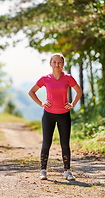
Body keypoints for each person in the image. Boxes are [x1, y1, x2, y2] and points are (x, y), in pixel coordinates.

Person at [28, 53, 82, 181]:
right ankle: (43, 171)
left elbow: (79, 91)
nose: (57, 65)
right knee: (47, 143)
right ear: (50, 64)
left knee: (65, 144)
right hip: (48, 115)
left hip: (64, 115)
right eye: (55, 62)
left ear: (63, 64)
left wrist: (72, 104)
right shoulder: (45, 78)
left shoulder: (68, 78)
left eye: (60, 62)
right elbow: (31, 92)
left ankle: (67, 172)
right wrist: (41, 103)